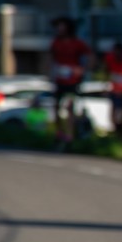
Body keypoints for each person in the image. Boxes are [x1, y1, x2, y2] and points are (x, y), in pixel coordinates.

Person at [48, 16, 91, 146]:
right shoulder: (56, 42)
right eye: (58, 26)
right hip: (60, 80)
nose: (60, 29)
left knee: (69, 107)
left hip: (72, 81)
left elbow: (91, 56)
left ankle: (70, 135)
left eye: (62, 26)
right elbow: (50, 57)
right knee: (55, 106)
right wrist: (50, 72)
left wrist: (82, 70)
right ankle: (59, 132)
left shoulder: (77, 43)